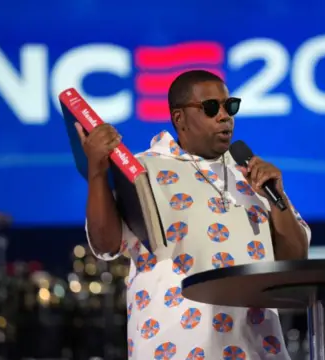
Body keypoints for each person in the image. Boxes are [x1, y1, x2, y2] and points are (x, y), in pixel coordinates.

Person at [74, 70, 311, 359]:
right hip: (174, 349)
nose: (225, 116)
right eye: (211, 108)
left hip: (256, 349)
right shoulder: (141, 170)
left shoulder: (251, 173)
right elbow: (104, 245)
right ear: (179, 119)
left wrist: (277, 197)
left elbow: (295, 260)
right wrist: (97, 171)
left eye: (230, 106)